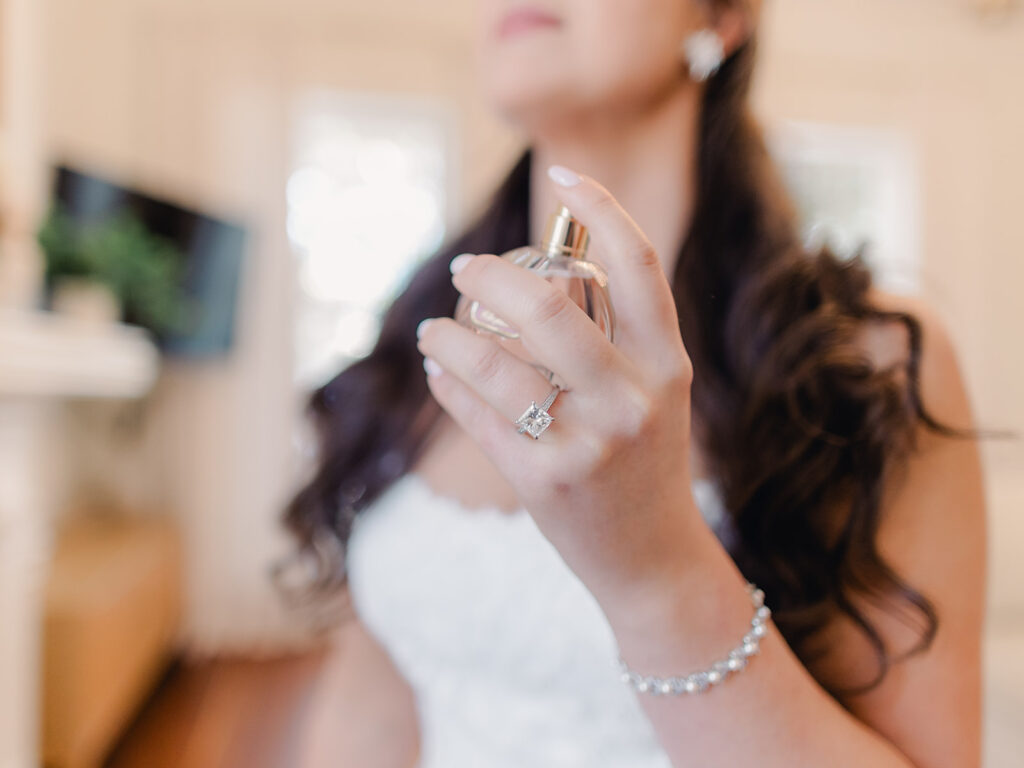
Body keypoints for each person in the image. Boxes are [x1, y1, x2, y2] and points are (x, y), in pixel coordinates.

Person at [285, 1, 988, 766]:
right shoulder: (419, 329)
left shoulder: (865, 365)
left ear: (724, 19)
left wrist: (654, 565)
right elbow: (369, 704)